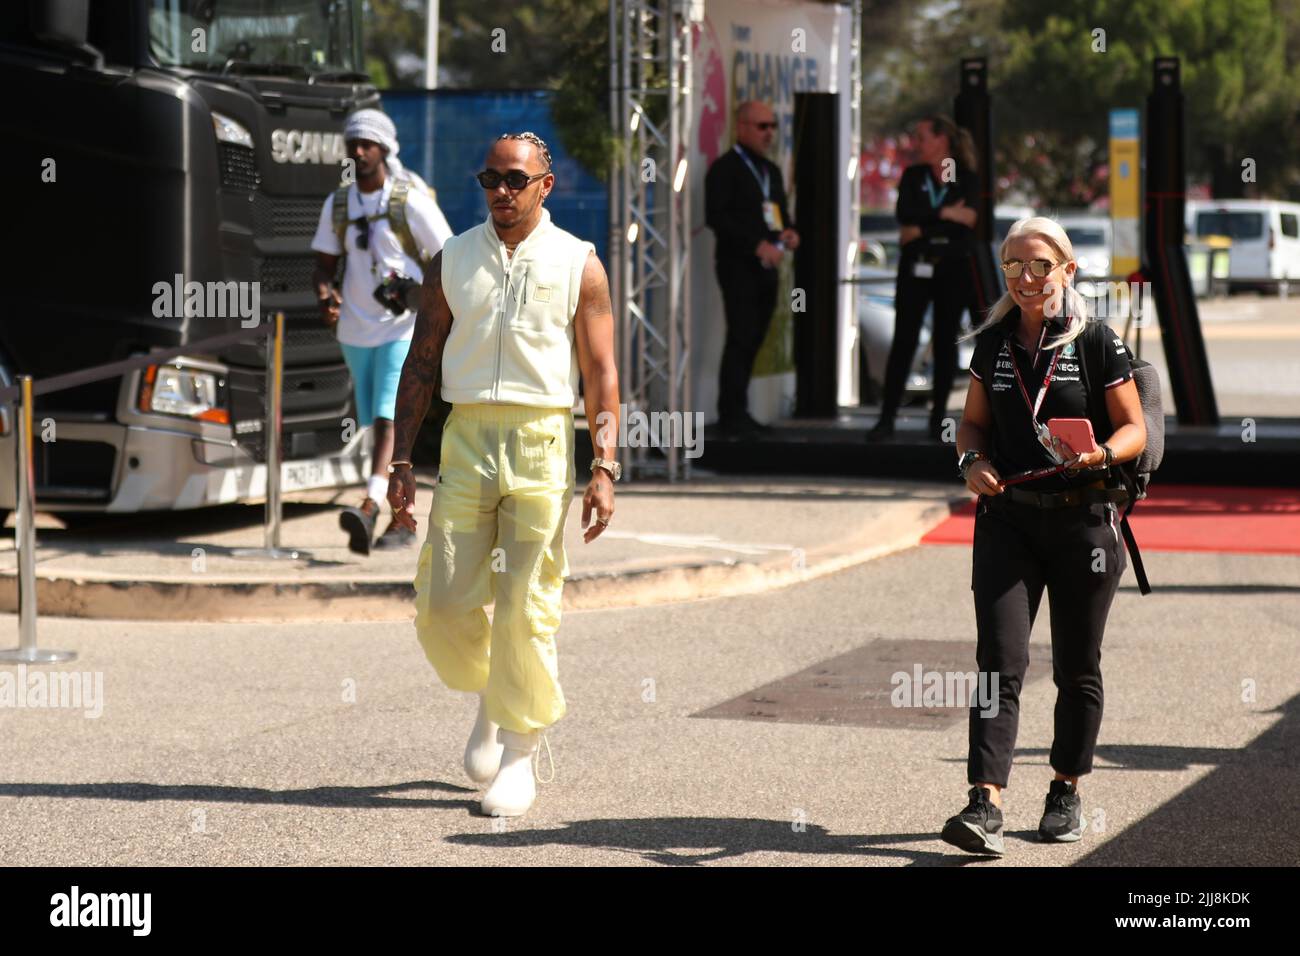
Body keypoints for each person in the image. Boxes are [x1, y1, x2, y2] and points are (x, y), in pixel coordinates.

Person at [387, 132, 620, 818]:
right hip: (466, 441)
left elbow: (603, 373)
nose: (501, 191)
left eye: (516, 180)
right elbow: (421, 362)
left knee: (527, 601)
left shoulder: (581, 264)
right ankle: (497, 689)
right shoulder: (451, 259)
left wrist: (604, 466)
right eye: (490, 179)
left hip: (543, 440)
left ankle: (520, 754)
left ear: (546, 185)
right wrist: (400, 461)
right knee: (443, 602)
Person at [943, 216, 1147, 855]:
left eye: (1040, 266)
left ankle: (1066, 789)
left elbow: (1134, 429)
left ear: (1067, 270)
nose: (1027, 279)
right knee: (998, 662)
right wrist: (970, 463)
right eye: (1013, 267)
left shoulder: (1096, 342)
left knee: (1076, 666)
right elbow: (971, 425)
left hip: (1084, 519)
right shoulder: (994, 343)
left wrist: (1102, 454)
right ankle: (985, 802)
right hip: (1007, 518)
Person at [311, 108, 454, 555]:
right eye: (352, 143)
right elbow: (324, 263)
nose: (357, 151)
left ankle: (372, 503)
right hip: (354, 331)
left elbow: (448, 254)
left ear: (385, 148)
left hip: (401, 327)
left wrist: (419, 295)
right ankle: (400, 518)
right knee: (380, 421)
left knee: (391, 419)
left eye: (367, 144)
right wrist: (324, 295)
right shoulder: (339, 203)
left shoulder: (409, 199)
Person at [867, 116, 980, 442]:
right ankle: (886, 418)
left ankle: (937, 420)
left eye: (922, 137)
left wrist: (925, 226)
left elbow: (967, 221)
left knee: (945, 343)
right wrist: (945, 214)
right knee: (904, 340)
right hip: (915, 268)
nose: (917, 144)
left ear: (942, 140)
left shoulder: (963, 176)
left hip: (951, 269)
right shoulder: (913, 175)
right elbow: (905, 218)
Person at [704, 100, 800, 438]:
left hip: (767, 268)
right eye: (762, 126)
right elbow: (716, 216)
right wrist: (755, 244)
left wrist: (786, 233)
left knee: (755, 338)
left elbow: (778, 213)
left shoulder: (769, 170)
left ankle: (740, 412)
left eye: (772, 126)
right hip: (738, 266)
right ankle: (731, 415)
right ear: (741, 127)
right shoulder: (725, 168)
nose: (769, 133)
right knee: (740, 338)